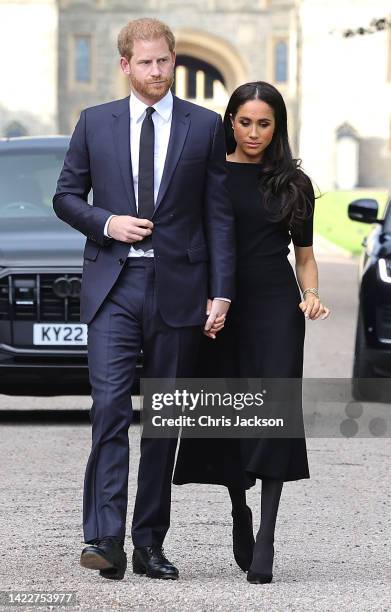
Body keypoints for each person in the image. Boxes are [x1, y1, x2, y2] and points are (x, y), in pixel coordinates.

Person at [53, 18, 234, 581]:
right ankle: (104, 538)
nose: (157, 71)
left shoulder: (204, 126)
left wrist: (221, 291)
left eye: (165, 61)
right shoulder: (95, 122)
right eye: (146, 62)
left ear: (173, 60)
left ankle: (149, 542)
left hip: (179, 290)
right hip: (115, 287)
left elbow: (218, 215)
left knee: (163, 420)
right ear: (125, 65)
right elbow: (65, 197)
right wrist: (106, 223)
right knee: (109, 410)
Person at [173, 81, 330, 584]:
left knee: (274, 414)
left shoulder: (294, 184)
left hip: (274, 310)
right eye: (245, 122)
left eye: (265, 123)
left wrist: (310, 294)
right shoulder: (208, 174)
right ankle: (238, 505)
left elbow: (304, 258)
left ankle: (267, 532)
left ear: (277, 126)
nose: (254, 132)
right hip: (220, 307)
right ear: (230, 122)